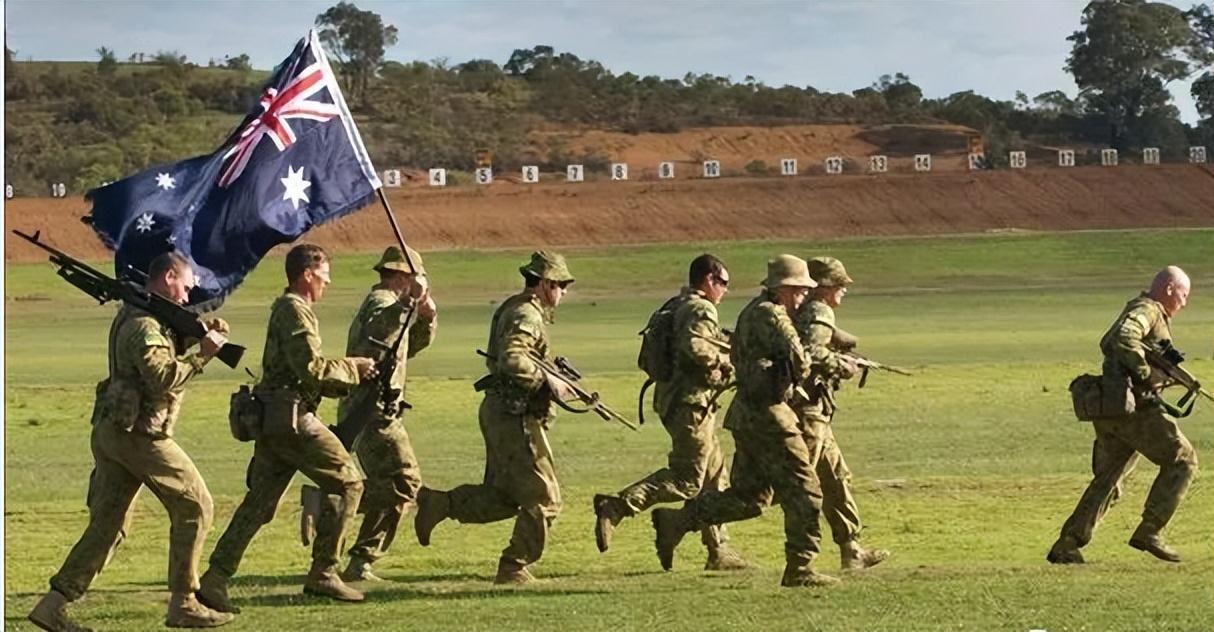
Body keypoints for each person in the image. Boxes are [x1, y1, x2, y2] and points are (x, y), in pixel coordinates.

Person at [29, 252, 234, 630]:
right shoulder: (142, 324)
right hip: (140, 435)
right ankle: (184, 602)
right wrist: (203, 357)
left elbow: (156, 356)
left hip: (115, 432)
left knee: (109, 525)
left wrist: (194, 335)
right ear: (168, 276)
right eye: (185, 287)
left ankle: (52, 605)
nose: (188, 297)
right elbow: (161, 377)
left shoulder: (144, 319)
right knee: (196, 504)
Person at [198, 244, 376, 611]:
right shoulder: (294, 310)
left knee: (259, 504)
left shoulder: (290, 309)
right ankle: (324, 572)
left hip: (277, 419)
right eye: (324, 275)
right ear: (307, 275)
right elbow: (309, 367)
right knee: (348, 484)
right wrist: (352, 368)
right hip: (293, 420)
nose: (328, 282)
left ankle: (214, 579)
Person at [651, 255, 838, 587]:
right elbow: (802, 363)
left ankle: (677, 522)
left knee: (749, 497)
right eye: (798, 291)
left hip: (745, 415)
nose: (802, 298)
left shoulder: (751, 311)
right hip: (770, 415)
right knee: (805, 490)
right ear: (783, 289)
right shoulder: (775, 317)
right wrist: (836, 363)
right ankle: (800, 567)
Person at [413, 251, 575, 584]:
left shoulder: (518, 308)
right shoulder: (526, 313)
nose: (564, 292)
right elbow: (513, 359)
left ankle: (439, 504)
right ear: (544, 283)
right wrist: (549, 381)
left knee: (504, 497)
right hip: (514, 416)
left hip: (502, 411)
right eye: (560, 284)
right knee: (545, 498)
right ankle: (513, 566)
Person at [592, 254, 750, 570]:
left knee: (714, 477)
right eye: (723, 283)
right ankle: (617, 506)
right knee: (688, 479)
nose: (725, 291)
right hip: (690, 404)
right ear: (708, 280)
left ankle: (718, 550)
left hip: (676, 400)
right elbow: (696, 348)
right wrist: (725, 366)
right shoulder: (701, 308)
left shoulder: (675, 304)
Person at [1047, 266, 1199, 564]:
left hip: (1112, 408)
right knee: (1183, 460)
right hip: (1134, 408)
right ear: (1169, 289)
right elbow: (1123, 337)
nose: (1184, 302)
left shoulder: (1149, 312)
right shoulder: (1147, 310)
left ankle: (1068, 543)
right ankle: (1151, 530)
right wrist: (1145, 374)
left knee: (1110, 480)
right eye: (1184, 294)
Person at [336, 246, 437, 582]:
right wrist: (409, 303)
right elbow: (378, 336)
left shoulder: (392, 305)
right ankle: (329, 502)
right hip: (373, 413)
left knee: (394, 485)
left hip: (380, 411)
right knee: (406, 484)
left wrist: (426, 315)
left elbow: (409, 346)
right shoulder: (382, 303)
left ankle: (360, 562)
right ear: (402, 276)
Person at [793, 256, 890, 570]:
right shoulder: (819, 310)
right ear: (824, 287)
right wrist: (843, 365)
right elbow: (811, 352)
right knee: (779, 488)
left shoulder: (802, 311)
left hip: (814, 409)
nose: (843, 290)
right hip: (807, 410)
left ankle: (852, 550)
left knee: (835, 477)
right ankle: (687, 522)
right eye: (839, 284)